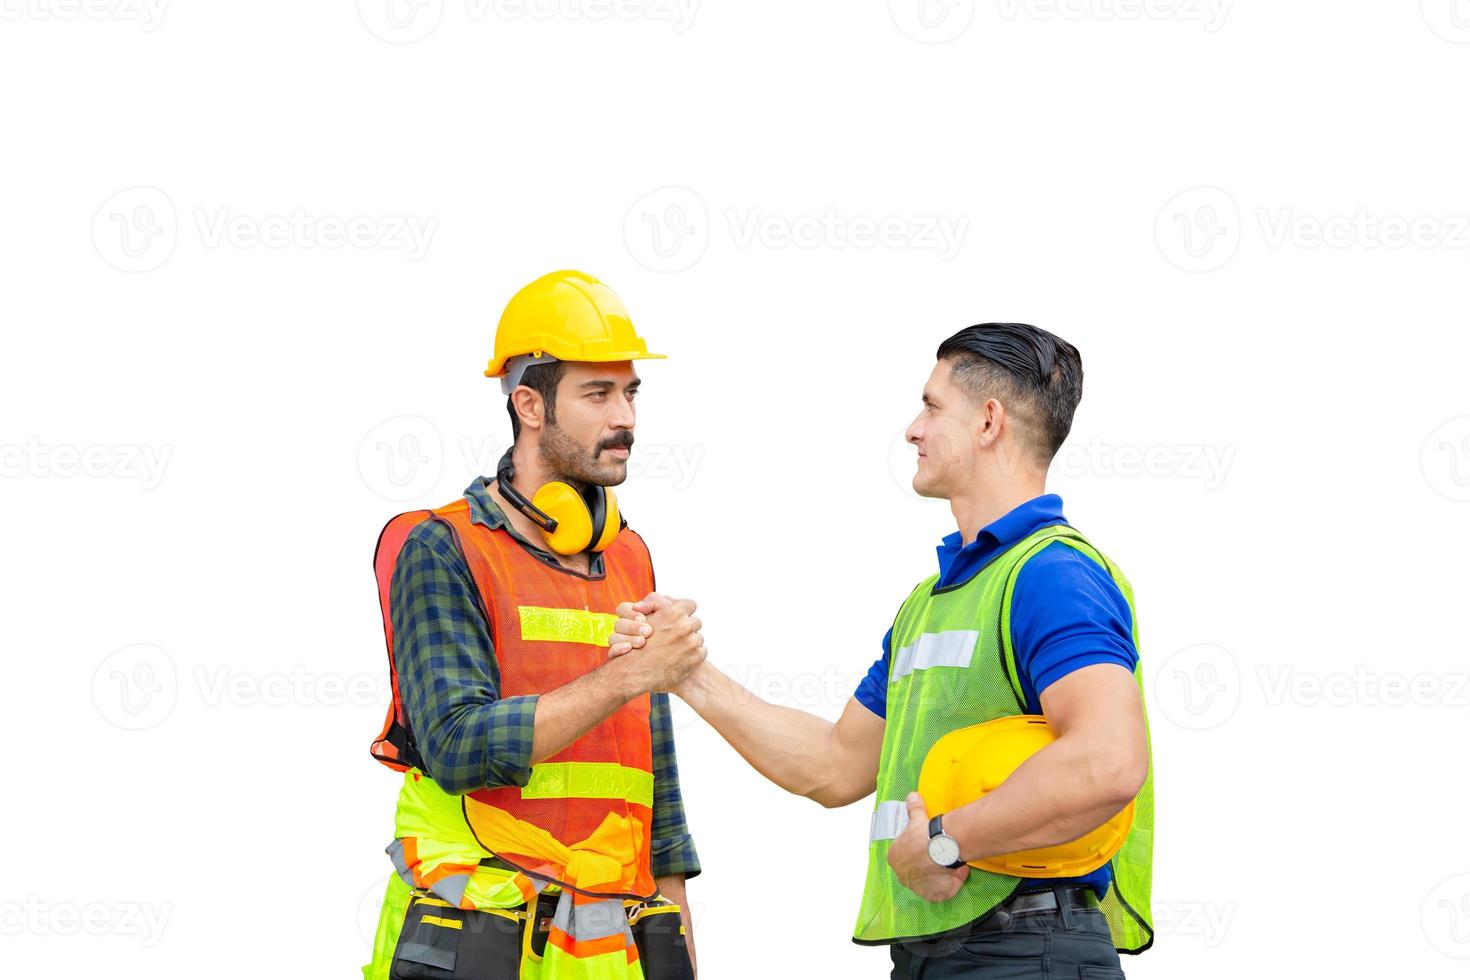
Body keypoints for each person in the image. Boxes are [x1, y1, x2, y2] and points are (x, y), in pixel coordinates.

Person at [610, 323, 1155, 977]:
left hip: (1023, 951)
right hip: (944, 954)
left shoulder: (1052, 575)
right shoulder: (933, 602)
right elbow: (834, 766)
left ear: (987, 422)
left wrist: (948, 842)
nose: (912, 430)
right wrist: (688, 674)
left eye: (931, 406)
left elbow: (1109, 759)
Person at [363, 270, 707, 980]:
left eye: (631, 392)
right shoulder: (443, 549)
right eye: (597, 393)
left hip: (604, 950)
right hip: (478, 936)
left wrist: (679, 939)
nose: (627, 419)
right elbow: (457, 746)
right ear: (528, 404)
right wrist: (628, 675)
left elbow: (655, 783)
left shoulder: (628, 554)